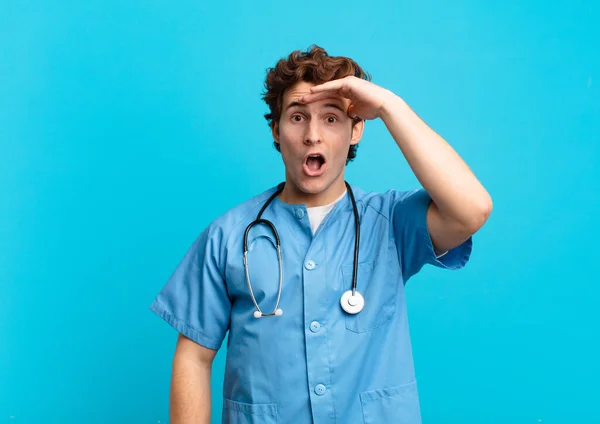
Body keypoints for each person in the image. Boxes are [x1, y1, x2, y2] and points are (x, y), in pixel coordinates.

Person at [150, 45, 492, 424]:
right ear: (276, 131)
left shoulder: (392, 222)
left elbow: (471, 209)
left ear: (356, 129)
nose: (312, 135)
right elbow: (194, 357)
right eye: (297, 117)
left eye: (331, 118)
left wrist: (388, 107)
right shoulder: (229, 236)